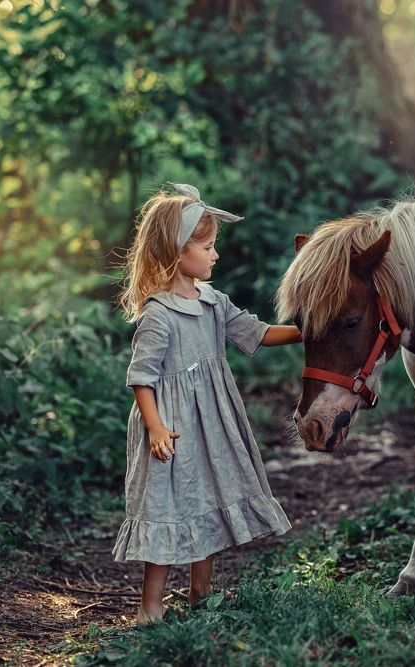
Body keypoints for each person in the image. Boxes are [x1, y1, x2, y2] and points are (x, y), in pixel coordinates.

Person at [113, 183, 300, 624]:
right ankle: (150, 606)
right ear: (180, 252)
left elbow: (257, 333)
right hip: (172, 427)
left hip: (213, 422)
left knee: (210, 496)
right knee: (166, 505)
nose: (215, 255)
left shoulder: (215, 302)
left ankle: (201, 594)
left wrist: (307, 330)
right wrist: (156, 427)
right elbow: (141, 378)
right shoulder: (158, 312)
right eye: (208, 246)